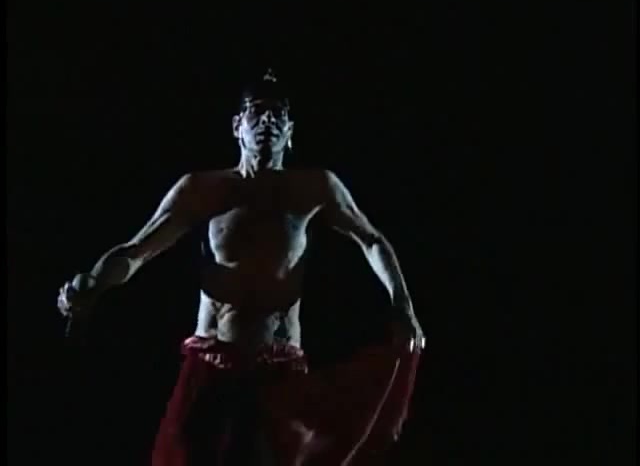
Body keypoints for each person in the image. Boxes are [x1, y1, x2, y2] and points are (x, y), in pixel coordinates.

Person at [57, 70, 426, 465]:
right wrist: (94, 282)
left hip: (278, 368)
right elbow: (136, 251)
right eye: (256, 111)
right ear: (237, 126)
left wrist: (403, 306)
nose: (267, 120)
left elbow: (372, 240)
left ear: (290, 131)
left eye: (278, 114)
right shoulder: (203, 190)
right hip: (213, 363)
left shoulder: (314, 188)